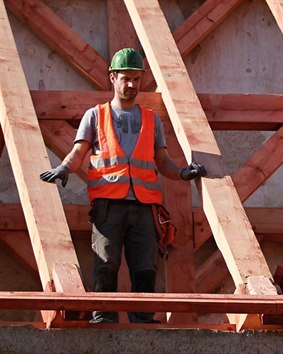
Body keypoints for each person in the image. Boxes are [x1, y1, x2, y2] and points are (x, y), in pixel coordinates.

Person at [39, 48, 207, 324]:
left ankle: (142, 317)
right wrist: (64, 167)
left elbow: (162, 162)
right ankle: (104, 317)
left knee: (145, 267)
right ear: (113, 78)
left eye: (136, 79)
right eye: (126, 78)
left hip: (144, 206)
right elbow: (79, 151)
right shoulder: (95, 116)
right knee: (106, 263)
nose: (131, 85)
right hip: (108, 205)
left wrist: (184, 174)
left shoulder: (152, 120)